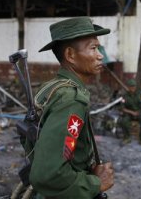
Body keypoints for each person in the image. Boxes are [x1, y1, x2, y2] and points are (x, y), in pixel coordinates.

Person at [25, 17, 114, 199]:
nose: (100, 55)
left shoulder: (52, 87)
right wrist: (96, 183)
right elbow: (48, 174)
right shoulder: (70, 100)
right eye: (93, 48)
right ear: (70, 55)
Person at [119, 79, 141, 148]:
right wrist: (132, 112)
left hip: (139, 113)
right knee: (124, 121)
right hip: (129, 113)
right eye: (131, 87)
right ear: (128, 87)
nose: (133, 88)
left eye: (134, 86)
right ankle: (127, 138)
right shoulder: (124, 96)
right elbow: (122, 108)